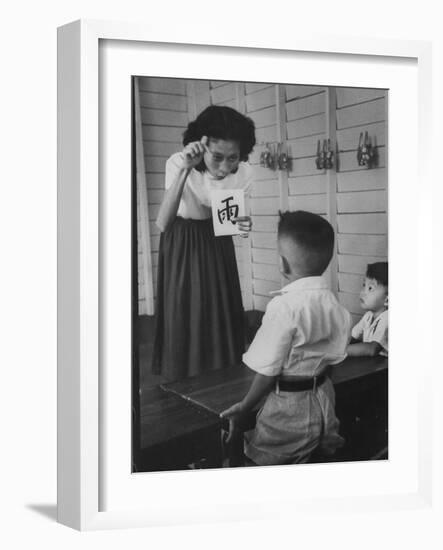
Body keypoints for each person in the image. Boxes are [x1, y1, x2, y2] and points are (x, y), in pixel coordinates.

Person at [220, 211, 352, 465]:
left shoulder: (284, 307)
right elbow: (334, 357)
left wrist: (246, 405)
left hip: (288, 409)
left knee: (268, 461)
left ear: (283, 264)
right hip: (325, 399)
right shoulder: (335, 305)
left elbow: (267, 371)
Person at [151, 105, 256, 382]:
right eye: (218, 157)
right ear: (201, 144)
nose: (225, 167)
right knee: (188, 306)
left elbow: (228, 223)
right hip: (183, 238)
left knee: (218, 304)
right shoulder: (177, 162)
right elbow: (163, 222)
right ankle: (187, 376)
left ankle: (221, 374)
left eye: (233, 158)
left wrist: (243, 223)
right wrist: (186, 170)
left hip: (216, 240)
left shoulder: (243, 172)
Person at [346, 262, 388, 357]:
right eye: (364, 285)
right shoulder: (368, 316)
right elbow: (352, 338)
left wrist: (337, 353)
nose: (362, 292)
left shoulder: (387, 317)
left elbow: (372, 349)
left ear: (387, 299)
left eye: (370, 288)